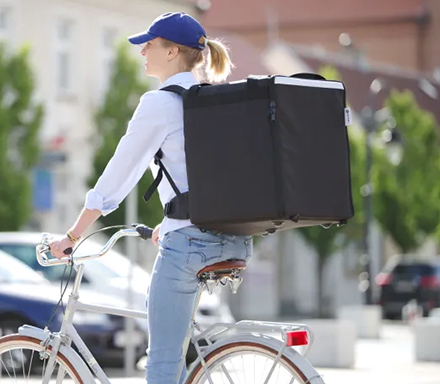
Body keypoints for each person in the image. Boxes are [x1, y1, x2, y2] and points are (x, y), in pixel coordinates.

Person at [49, 12, 253, 384]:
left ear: (172, 50)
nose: (142, 50)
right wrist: (171, 221)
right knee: (176, 356)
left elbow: (118, 175)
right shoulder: (211, 99)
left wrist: (73, 236)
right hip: (234, 237)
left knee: (161, 363)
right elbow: (209, 175)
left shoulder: (160, 103)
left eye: (151, 43)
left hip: (190, 245)